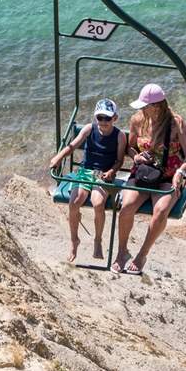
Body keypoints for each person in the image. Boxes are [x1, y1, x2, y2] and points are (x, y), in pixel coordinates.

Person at [113, 84, 186, 274]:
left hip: (168, 174)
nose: (142, 109)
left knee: (161, 210)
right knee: (126, 208)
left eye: (145, 105)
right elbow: (130, 147)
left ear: (157, 106)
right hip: (143, 173)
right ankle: (121, 252)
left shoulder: (175, 123)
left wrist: (180, 172)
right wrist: (135, 156)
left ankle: (142, 254)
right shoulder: (138, 120)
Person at [48, 99, 127, 263]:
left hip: (103, 173)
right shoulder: (90, 129)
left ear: (115, 118)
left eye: (107, 118)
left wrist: (112, 172)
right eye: (100, 118)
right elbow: (72, 146)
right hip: (85, 171)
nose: (103, 122)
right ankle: (74, 240)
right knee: (74, 202)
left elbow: (119, 160)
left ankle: (97, 239)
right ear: (95, 117)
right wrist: (58, 157)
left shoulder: (119, 136)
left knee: (98, 203)